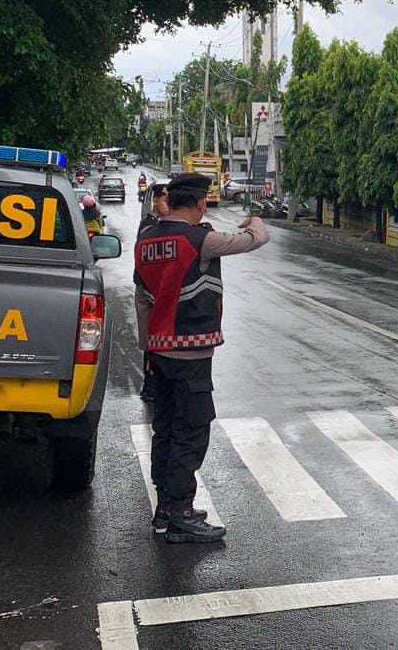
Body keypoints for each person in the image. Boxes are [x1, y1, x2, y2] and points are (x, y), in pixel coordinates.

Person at [133, 173, 269, 543]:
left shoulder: (146, 241)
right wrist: (254, 219)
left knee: (165, 428)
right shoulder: (201, 240)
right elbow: (257, 239)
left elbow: (142, 297)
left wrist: (148, 346)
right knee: (191, 431)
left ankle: (165, 507)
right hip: (190, 352)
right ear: (199, 203)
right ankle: (180, 514)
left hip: (159, 349)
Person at [136, 181, 171, 405]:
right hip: (147, 290)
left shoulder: (167, 223)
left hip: (162, 291)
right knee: (151, 341)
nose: (168, 204)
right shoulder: (149, 225)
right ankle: (149, 386)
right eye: (165, 199)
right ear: (155, 201)